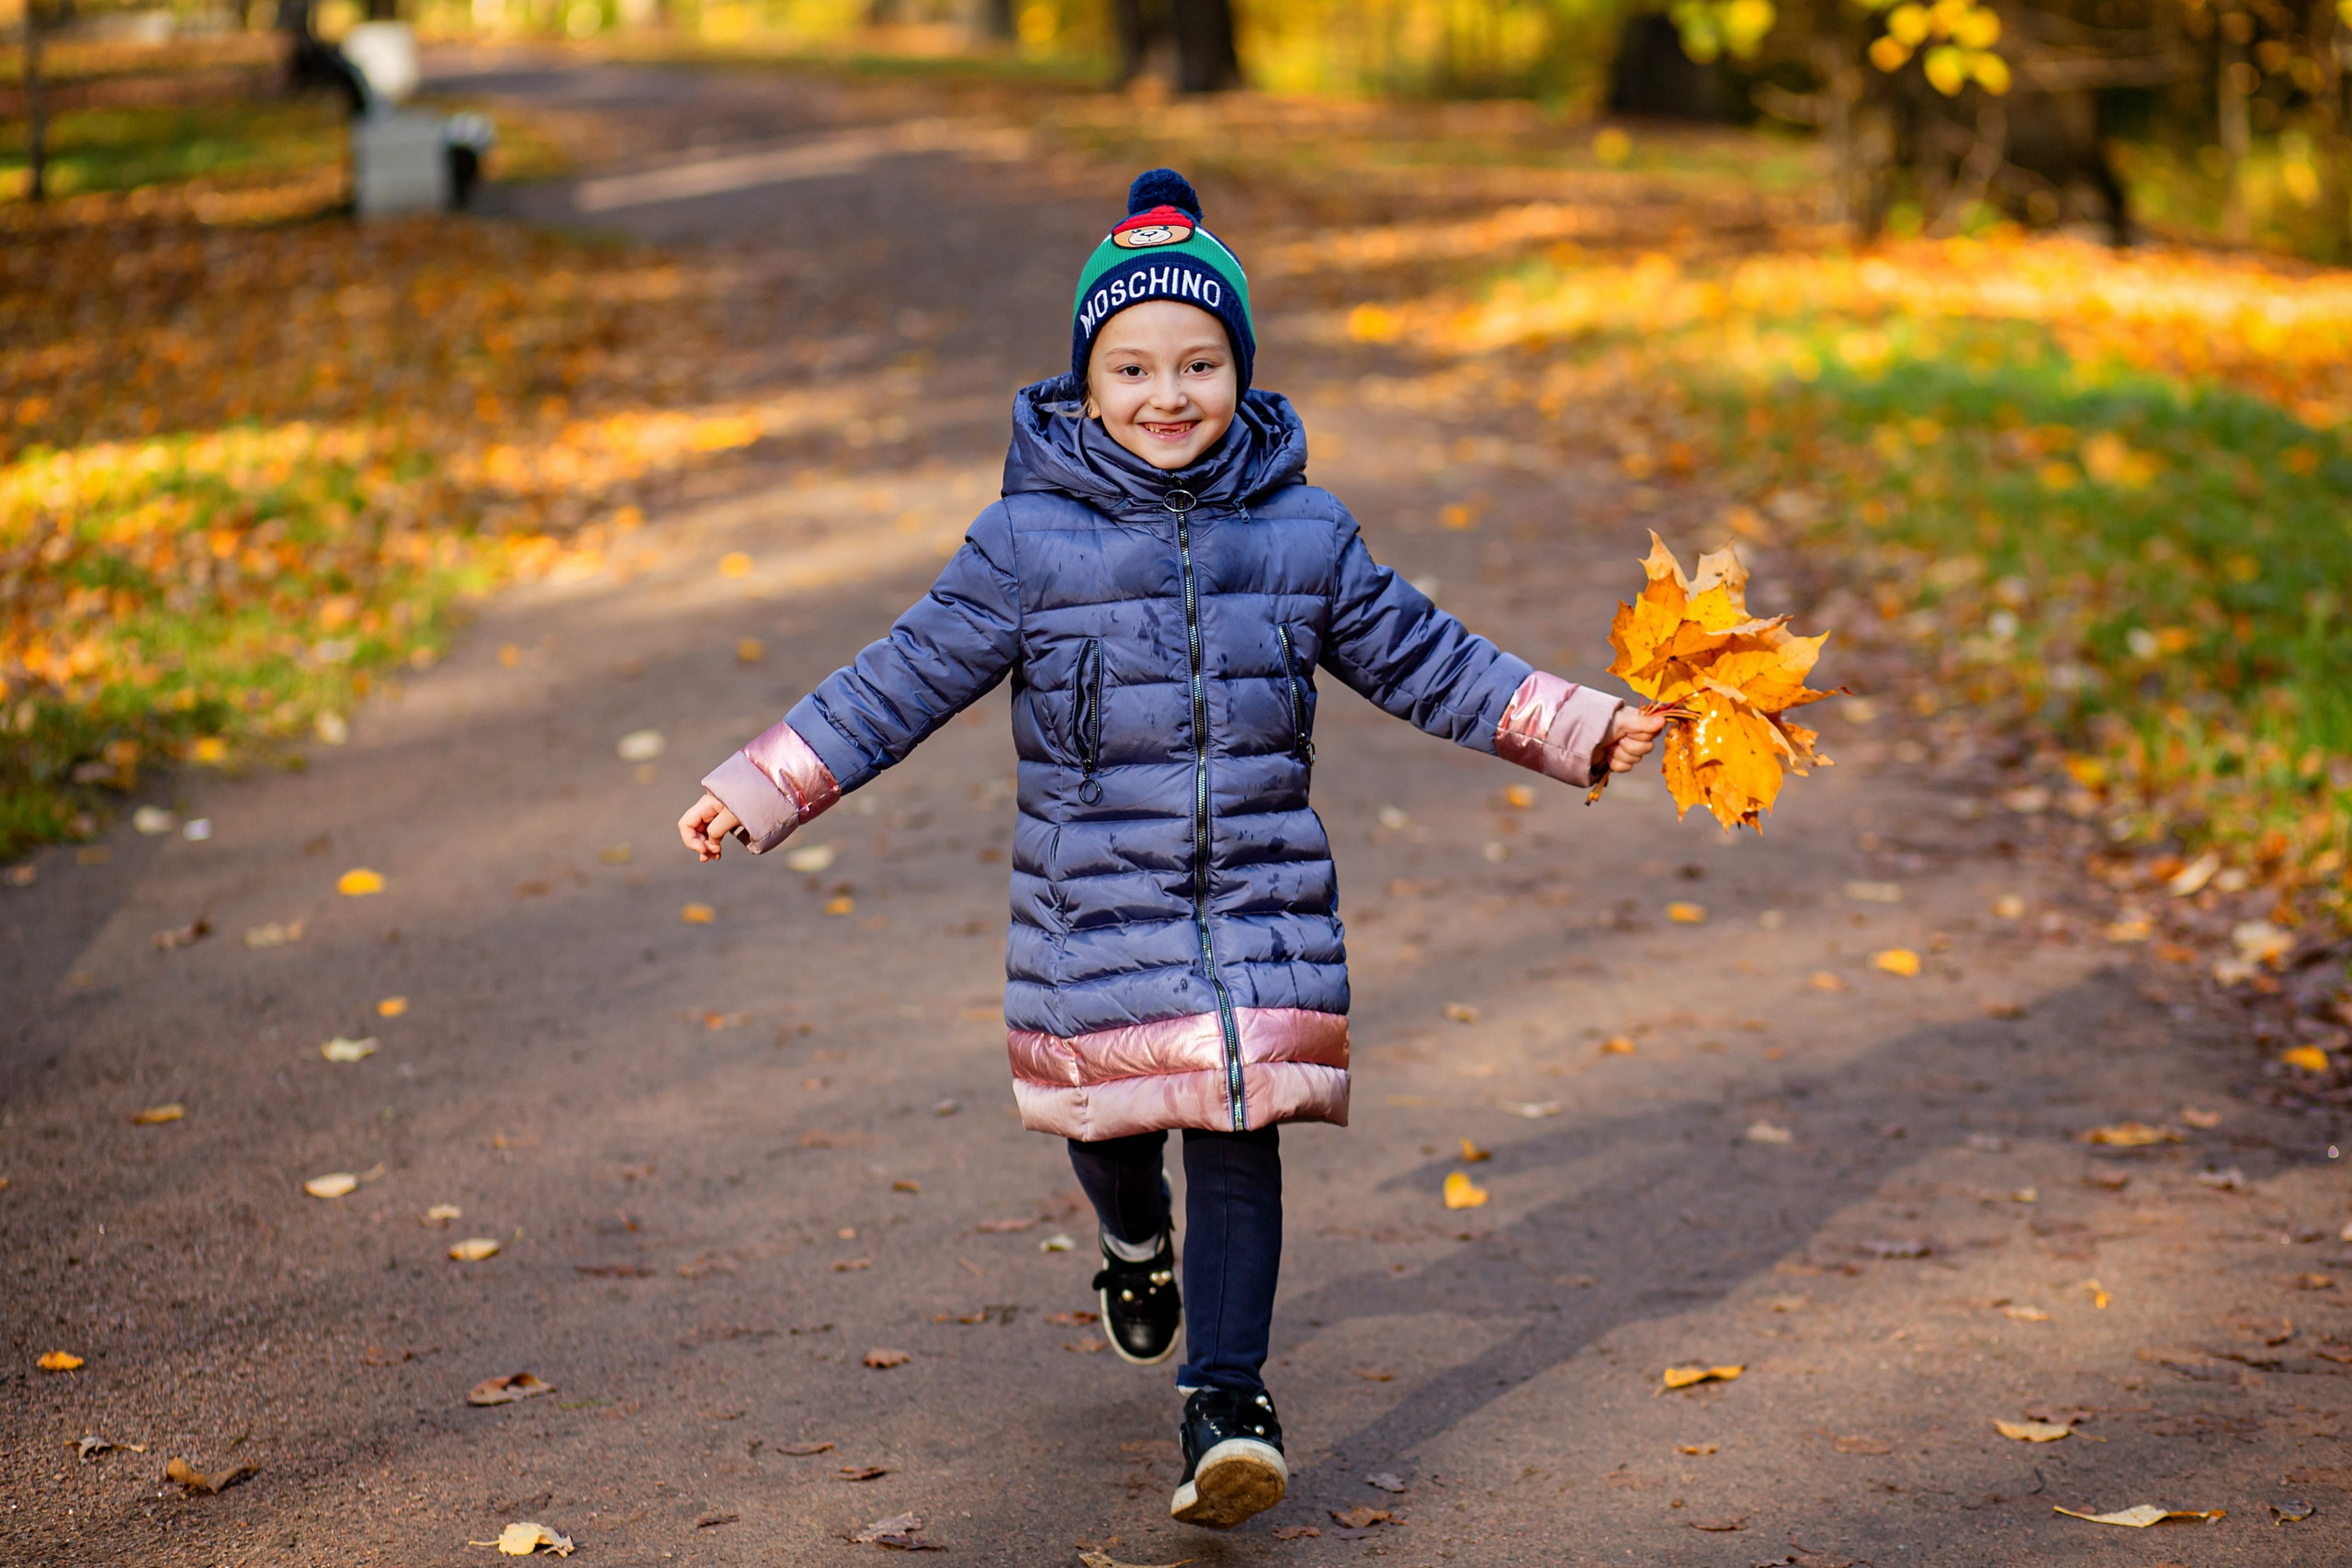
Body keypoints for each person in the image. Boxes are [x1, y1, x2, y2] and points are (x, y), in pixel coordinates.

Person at [678, 168, 1666, 1529]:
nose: (1168, 394)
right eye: (1132, 367)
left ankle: (1228, 1401)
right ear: (1086, 384)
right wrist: (767, 784)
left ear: (1241, 373)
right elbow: (898, 679)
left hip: (1258, 897)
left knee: (1240, 1122)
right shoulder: (1026, 544)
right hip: (1094, 905)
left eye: (1200, 362)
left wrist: (1579, 727)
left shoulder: (1306, 534)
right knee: (1118, 1131)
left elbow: (1432, 659)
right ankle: (1133, 1235)